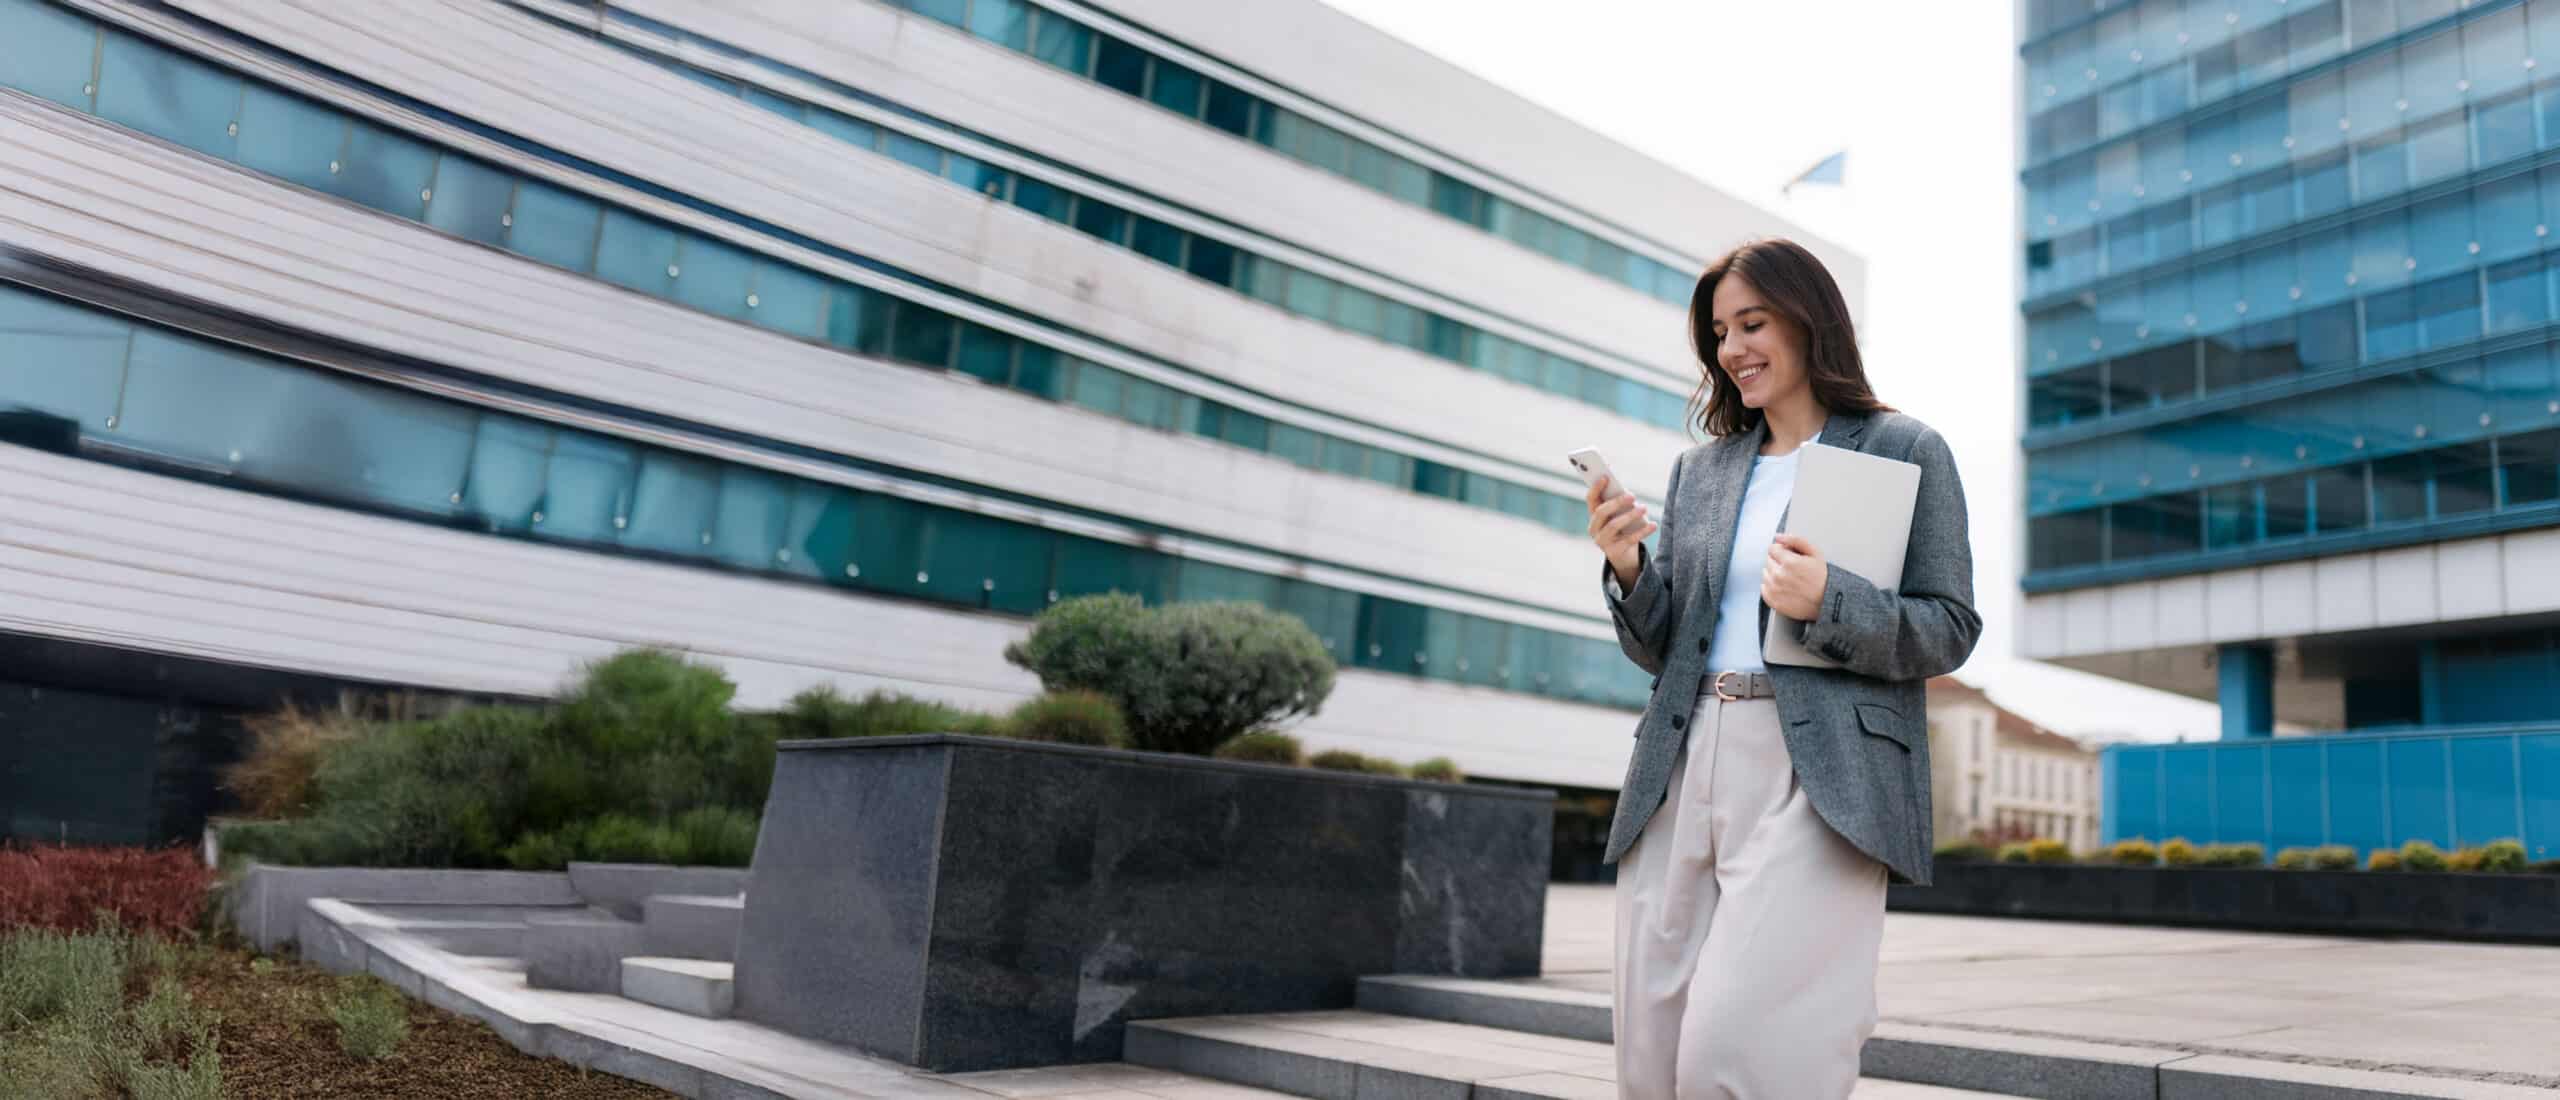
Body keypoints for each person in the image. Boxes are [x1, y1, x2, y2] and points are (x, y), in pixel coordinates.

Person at [1584, 238, 1980, 1098]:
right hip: (1682, 764)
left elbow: (1949, 628)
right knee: (1650, 1059)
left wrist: (1829, 598)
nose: (1732, 351)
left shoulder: (1905, 447)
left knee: (1740, 1050)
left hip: (1820, 772)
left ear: (1809, 321)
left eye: (1751, 323)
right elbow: (1665, 647)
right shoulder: (1703, 471)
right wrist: (1627, 572)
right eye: (1720, 333)